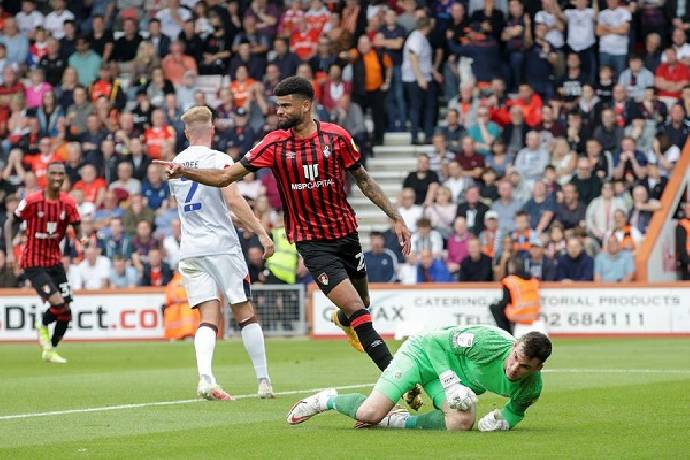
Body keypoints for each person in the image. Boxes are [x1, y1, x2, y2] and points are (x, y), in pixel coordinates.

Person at [156, 80, 415, 405]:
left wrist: (396, 217)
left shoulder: (337, 137)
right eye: (277, 105)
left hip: (347, 235)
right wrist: (189, 174)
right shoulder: (274, 144)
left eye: (285, 106)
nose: (279, 111)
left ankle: (345, 322)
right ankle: (397, 379)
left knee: (361, 307)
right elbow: (226, 178)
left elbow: (363, 179)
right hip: (310, 243)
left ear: (305, 105)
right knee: (352, 307)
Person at [166, 106, 274, 400]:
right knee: (244, 312)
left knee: (207, 315)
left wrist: (232, 217)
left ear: (188, 133)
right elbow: (233, 199)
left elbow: (201, 206)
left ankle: (205, 378)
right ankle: (264, 382)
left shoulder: (175, 163)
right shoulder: (219, 159)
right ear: (211, 129)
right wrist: (262, 232)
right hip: (221, 247)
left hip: (190, 248)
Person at [287, 326, 552, 433]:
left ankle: (399, 420)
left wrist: (502, 421)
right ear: (515, 345)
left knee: (462, 423)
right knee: (369, 413)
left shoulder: (532, 388)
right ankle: (326, 399)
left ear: (538, 369)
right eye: (515, 357)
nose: (515, 368)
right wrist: (450, 380)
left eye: (525, 366)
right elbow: (432, 340)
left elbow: (515, 411)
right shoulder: (489, 342)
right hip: (422, 355)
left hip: (450, 378)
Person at [4, 162, 82, 363]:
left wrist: (82, 240)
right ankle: (42, 323)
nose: (57, 176)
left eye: (61, 173)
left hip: (55, 262)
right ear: (46, 176)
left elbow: (77, 225)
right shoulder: (31, 201)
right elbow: (10, 222)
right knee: (57, 304)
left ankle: (51, 350)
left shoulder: (69, 203)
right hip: (33, 262)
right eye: (53, 173)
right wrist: (11, 254)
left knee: (66, 314)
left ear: (65, 177)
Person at [489, 256, 541, 335]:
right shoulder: (532, 280)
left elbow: (505, 301)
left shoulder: (510, 281)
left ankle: (506, 335)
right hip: (533, 315)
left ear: (511, 267)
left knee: (495, 308)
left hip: (518, 314)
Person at [677, 201, 690, 280]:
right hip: (687, 264)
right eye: (687, 208)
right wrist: (688, 262)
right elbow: (681, 248)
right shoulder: (682, 225)